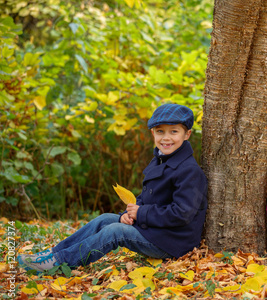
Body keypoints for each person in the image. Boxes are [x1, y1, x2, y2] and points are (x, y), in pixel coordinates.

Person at [18, 104, 208, 272]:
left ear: (187, 134)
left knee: (115, 231)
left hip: (172, 241)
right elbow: (147, 197)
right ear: (153, 133)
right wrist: (130, 213)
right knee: (105, 219)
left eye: (174, 132)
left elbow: (181, 213)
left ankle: (60, 263)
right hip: (154, 228)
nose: (166, 138)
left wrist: (140, 213)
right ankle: (54, 252)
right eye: (160, 132)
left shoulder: (189, 171)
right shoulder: (160, 160)